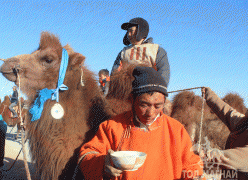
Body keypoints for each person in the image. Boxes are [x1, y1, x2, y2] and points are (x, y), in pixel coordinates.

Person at [78, 66, 203, 180]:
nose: (151, 113)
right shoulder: (112, 126)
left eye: (158, 105)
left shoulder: (176, 130)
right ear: (132, 99)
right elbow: (87, 155)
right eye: (144, 105)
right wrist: (101, 164)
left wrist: (195, 176)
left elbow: (192, 165)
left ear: (164, 101)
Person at [202, 87, 248, 179]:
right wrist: (209, 95)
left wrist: (207, 155)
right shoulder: (242, 123)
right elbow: (226, 111)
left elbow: (240, 157)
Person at [111, 17, 170, 86]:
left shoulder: (156, 50)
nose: (128, 34)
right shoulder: (123, 53)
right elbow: (114, 74)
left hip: (150, 89)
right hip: (127, 90)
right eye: (128, 32)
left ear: (141, 31)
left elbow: (164, 73)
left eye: (131, 31)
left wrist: (159, 89)